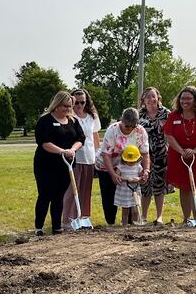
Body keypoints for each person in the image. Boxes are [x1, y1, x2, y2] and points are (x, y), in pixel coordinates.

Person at [163, 86, 196, 224]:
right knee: (184, 187)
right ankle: (186, 219)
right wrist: (181, 151)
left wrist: (195, 151)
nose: (184, 101)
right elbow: (168, 135)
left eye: (188, 98)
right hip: (179, 156)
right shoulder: (174, 115)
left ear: (195, 100)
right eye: (182, 98)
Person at [33, 91, 85, 235]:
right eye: (65, 106)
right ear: (56, 105)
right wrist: (62, 151)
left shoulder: (73, 121)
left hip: (66, 164)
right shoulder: (45, 121)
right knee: (45, 195)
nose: (68, 109)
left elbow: (81, 139)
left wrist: (72, 150)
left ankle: (57, 226)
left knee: (59, 195)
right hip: (46, 164)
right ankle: (39, 227)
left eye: (70, 106)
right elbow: (44, 142)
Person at [95, 108, 150, 225]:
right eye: (127, 126)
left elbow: (145, 153)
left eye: (133, 126)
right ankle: (111, 223)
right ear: (121, 121)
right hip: (108, 165)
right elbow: (106, 154)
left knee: (131, 195)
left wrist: (146, 170)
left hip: (130, 168)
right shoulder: (112, 130)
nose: (130, 129)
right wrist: (113, 174)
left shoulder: (140, 132)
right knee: (109, 195)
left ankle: (129, 223)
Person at [61, 89, 101, 230]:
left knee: (85, 190)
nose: (79, 105)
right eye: (76, 102)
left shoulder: (92, 116)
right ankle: (68, 218)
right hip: (75, 158)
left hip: (89, 157)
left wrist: (98, 153)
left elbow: (94, 136)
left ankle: (83, 217)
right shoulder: (69, 118)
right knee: (72, 190)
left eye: (82, 102)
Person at [138, 87, 173, 223]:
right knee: (145, 185)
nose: (151, 99)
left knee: (160, 186)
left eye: (153, 96)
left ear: (158, 98)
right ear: (143, 100)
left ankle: (159, 216)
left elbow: (172, 133)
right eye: (148, 97)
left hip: (162, 153)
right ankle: (144, 216)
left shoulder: (166, 113)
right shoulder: (139, 115)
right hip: (144, 155)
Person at [114, 145, 144, 226]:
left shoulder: (138, 167)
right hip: (124, 191)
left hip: (135, 190)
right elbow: (117, 177)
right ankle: (124, 225)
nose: (131, 162)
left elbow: (142, 178)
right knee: (125, 210)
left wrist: (138, 178)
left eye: (133, 161)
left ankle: (135, 224)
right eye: (129, 160)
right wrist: (126, 179)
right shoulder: (121, 167)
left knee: (135, 209)